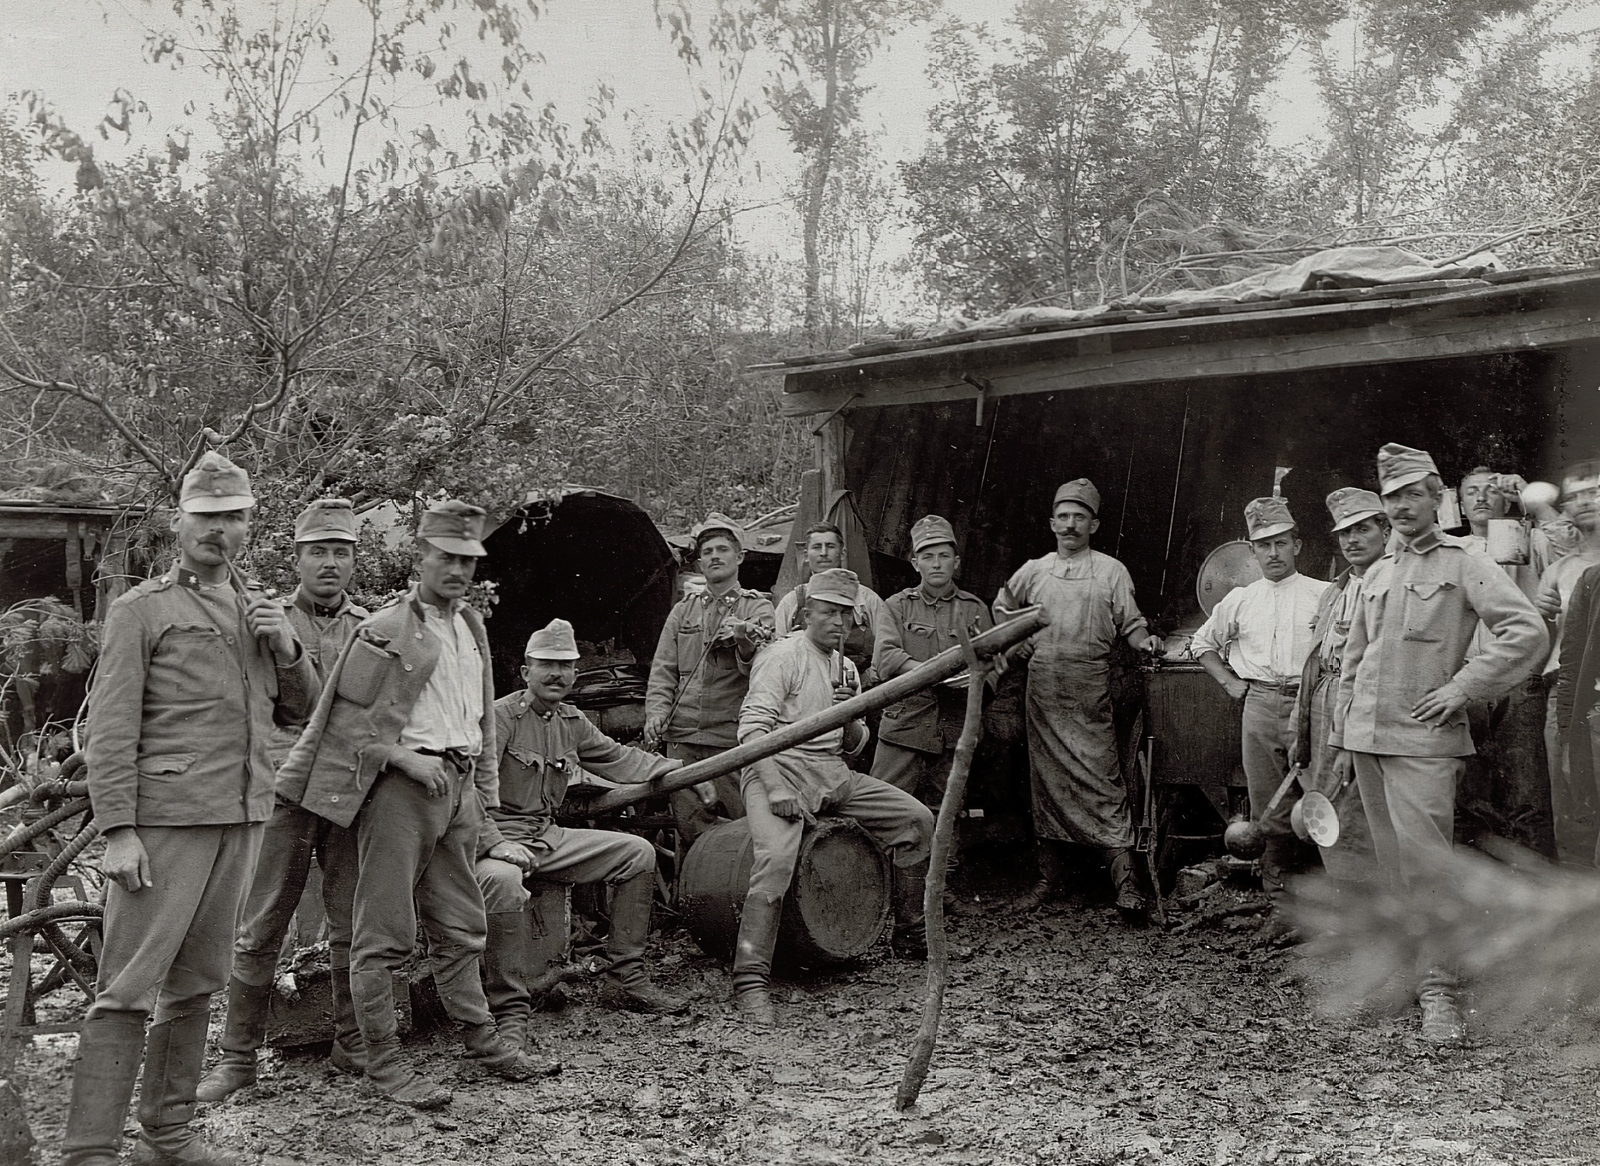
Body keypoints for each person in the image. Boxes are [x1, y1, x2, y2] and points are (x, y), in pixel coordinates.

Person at [65, 452, 319, 1166]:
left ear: (247, 526)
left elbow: (300, 709)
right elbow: (111, 729)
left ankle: (167, 1136)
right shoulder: (141, 610)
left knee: (198, 982)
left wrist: (287, 646)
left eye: (232, 517)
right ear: (177, 523)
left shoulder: (260, 611)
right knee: (127, 987)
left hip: (242, 819)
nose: (218, 529)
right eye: (205, 517)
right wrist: (118, 831)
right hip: (165, 823)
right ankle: (90, 1150)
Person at [277, 500, 539, 1109]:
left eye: (467, 560)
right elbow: (342, 724)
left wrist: (479, 791)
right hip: (401, 793)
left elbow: (477, 718)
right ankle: (383, 1063)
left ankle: (483, 1041)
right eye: (446, 557)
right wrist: (402, 758)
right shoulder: (386, 629)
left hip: (457, 790)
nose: (457, 570)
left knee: (462, 924)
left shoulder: (470, 626)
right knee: (384, 932)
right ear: (421, 557)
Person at [1332, 443, 1546, 1043]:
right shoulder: (1377, 572)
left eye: (1413, 494)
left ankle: (1439, 989)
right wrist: (1343, 736)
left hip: (1424, 741)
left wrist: (1464, 688)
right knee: (1389, 865)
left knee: (1429, 866)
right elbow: (1355, 661)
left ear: (1436, 498)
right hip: (1368, 740)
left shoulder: (1465, 562)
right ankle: (1405, 969)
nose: (1402, 506)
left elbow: (1526, 631)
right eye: (1392, 497)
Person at [197, 499, 370, 1103]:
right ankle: (237, 1058)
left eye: (341, 552)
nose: (330, 563)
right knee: (261, 923)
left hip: (348, 791)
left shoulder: (370, 629)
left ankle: (352, 1042)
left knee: (352, 922)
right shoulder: (263, 619)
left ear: (354, 561)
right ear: (297, 559)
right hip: (283, 790)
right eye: (318, 551)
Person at [731, 568, 935, 1025]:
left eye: (846, 615)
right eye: (828, 612)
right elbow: (751, 733)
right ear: (807, 614)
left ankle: (910, 936)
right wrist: (776, 787)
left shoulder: (845, 668)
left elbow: (854, 746)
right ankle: (750, 982)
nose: (838, 623)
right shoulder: (781, 656)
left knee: (917, 820)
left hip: (829, 773)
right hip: (776, 769)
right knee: (776, 859)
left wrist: (848, 717)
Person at [476, 618, 687, 1044]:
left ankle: (624, 979)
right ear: (526, 672)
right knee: (503, 881)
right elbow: (467, 794)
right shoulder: (499, 718)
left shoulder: (570, 721)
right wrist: (495, 844)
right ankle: (509, 1006)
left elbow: (620, 759)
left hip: (545, 838)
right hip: (493, 843)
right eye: (546, 665)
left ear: (575, 674)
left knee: (637, 853)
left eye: (565, 666)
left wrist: (681, 770)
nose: (556, 674)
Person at [994, 479, 1163, 920]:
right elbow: (1002, 611)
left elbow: (1132, 625)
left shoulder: (1111, 571)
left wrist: (1146, 643)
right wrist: (1019, 644)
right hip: (1044, 691)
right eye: (1064, 517)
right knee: (1046, 784)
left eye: (1080, 517)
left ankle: (1126, 884)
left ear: (1094, 525)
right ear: (1052, 523)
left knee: (1102, 781)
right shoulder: (1034, 570)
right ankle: (1048, 880)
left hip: (1089, 692)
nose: (1071, 525)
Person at [1192, 495, 1330, 915]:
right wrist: (1231, 683)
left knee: (1326, 800)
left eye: (1281, 543)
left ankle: (1337, 905)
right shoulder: (1241, 599)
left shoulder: (1324, 595)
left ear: (1297, 546)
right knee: (1269, 807)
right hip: (1261, 704)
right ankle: (1280, 905)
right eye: (1263, 545)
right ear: (1252, 551)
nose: (1273, 553)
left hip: (1313, 702)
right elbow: (1202, 644)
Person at [643, 513, 775, 845]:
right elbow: (663, 671)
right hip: (682, 739)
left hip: (729, 739)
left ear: (740, 557)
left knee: (742, 829)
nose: (714, 557)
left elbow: (765, 672)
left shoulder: (757, 609)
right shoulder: (682, 611)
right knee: (690, 833)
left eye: (722, 549)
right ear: (700, 563)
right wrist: (656, 713)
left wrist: (744, 642)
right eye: (707, 552)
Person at [1287, 489, 1386, 884]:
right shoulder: (1336, 590)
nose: (1352, 540)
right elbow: (1313, 662)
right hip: (1323, 704)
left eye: (1362, 529)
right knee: (1323, 805)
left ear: (1386, 531)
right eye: (1345, 533)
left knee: (1358, 807)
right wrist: (1298, 728)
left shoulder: (1392, 585)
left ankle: (1369, 900)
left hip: (1366, 707)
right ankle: (1345, 895)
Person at [871, 515, 996, 807]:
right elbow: (886, 657)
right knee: (885, 809)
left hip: (954, 732)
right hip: (904, 728)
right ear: (916, 564)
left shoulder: (975, 609)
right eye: (928, 557)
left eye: (944, 556)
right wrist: (936, 674)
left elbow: (992, 666)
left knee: (946, 815)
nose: (936, 564)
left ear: (956, 561)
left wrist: (976, 678)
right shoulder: (897, 605)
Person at [1539, 461, 1600, 864]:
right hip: (1567, 693)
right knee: (1572, 803)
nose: (1584, 502)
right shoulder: (1558, 570)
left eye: (1593, 491)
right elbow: (1545, 649)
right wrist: (1541, 618)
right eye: (1574, 496)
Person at [773, 521, 889, 681]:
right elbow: (776, 649)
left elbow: (887, 643)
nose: (823, 553)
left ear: (842, 553)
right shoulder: (793, 601)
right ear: (806, 555)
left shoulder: (867, 599)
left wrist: (868, 679)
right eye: (817, 547)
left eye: (830, 546)